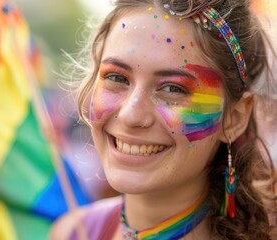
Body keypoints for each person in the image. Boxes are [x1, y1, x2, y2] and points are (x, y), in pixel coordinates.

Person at [50, 0, 277, 239]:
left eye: (173, 89)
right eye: (117, 77)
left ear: (234, 118)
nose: (130, 115)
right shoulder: (72, 232)